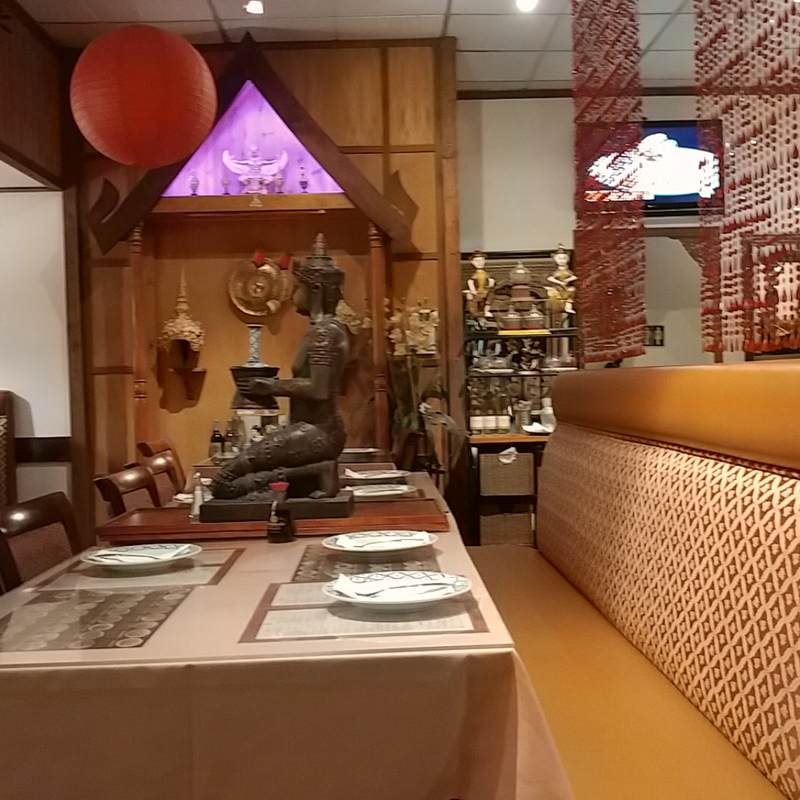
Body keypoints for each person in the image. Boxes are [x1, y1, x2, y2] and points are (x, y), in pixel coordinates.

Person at [211, 234, 348, 500]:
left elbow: (318, 389)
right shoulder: (325, 330)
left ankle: (318, 469)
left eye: (298, 288)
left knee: (223, 483)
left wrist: (271, 387)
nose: (294, 295)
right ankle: (314, 471)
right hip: (314, 430)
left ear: (316, 290)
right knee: (233, 482)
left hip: (317, 432)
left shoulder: (324, 333)